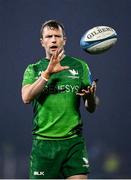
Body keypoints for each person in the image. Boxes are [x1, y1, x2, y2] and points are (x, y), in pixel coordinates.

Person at [21, 19, 97, 179]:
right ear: (42, 42)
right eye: (49, 36)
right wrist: (47, 74)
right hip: (44, 144)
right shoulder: (33, 69)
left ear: (64, 40)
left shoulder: (80, 66)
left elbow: (91, 107)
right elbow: (26, 97)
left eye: (57, 36)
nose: (54, 40)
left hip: (73, 143)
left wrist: (90, 97)